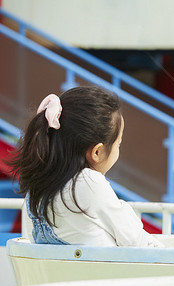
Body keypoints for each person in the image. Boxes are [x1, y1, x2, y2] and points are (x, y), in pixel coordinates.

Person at [10, 86, 163, 247]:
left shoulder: (35, 191)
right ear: (97, 152)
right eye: (118, 144)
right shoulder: (89, 183)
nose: (118, 150)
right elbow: (137, 242)